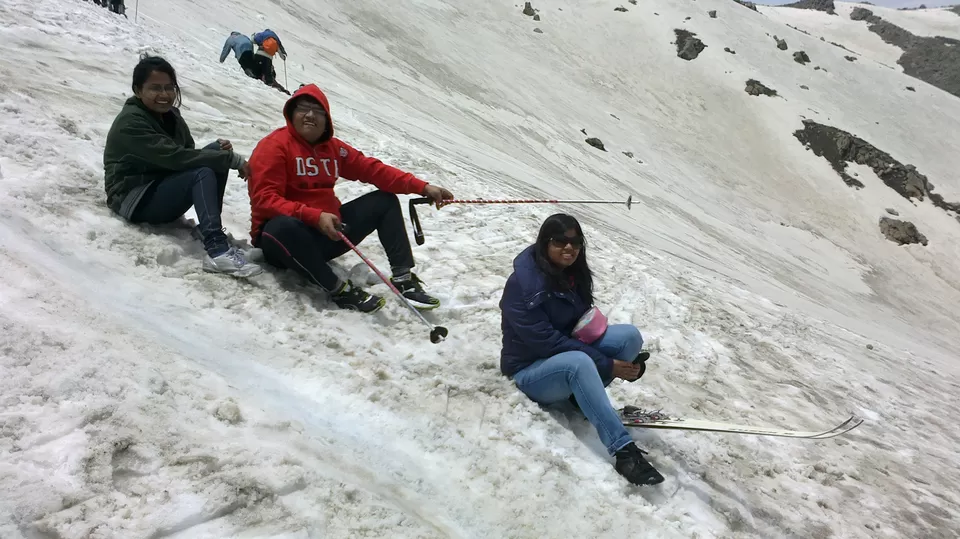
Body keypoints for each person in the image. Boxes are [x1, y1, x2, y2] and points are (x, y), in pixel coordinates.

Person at [246, 84, 454, 313]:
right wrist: (314, 216)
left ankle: (404, 278)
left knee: (384, 201)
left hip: (328, 234)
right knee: (280, 226)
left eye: (318, 111)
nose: (310, 115)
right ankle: (339, 290)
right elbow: (265, 200)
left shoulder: (333, 149)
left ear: (327, 119)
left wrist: (422, 187)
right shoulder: (274, 146)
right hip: (284, 245)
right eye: (303, 108)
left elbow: (373, 170)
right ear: (291, 113)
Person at [498, 214, 665, 486]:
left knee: (628, 337)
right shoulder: (522, 285)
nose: (569, 248)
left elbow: (579, 326)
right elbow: (546, 342)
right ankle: (623, 452)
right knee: (580, 363)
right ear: (544, 243)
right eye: (560, 241)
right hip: (530, 372)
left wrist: (626, 362)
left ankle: (581, 396)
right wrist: (607, 364)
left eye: (575, 242)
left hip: (563, 359)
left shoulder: (570, 275)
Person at [103, 55, 262, 278]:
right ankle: (217, 250)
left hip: (157, 182)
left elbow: (187, 150)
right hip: (131, 198)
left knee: (215, 152)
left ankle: (209, 231)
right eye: (155, 88)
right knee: (204, 169)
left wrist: (219, 152)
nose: (164, 94)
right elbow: (178, 158)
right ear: (138, 90)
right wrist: (232, 161)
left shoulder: (171, 115)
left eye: (169, 88)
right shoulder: (131, 123)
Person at [250, 29, 290, 94]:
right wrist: (283, 55)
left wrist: (253, 35)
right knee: (268, 75)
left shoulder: (263, 34)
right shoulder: (275, 38)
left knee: (255, 71)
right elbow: (281, 50)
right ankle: (271, 86)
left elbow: (253, 40)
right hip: (269, 58)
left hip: (259, 54)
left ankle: (253, 79)